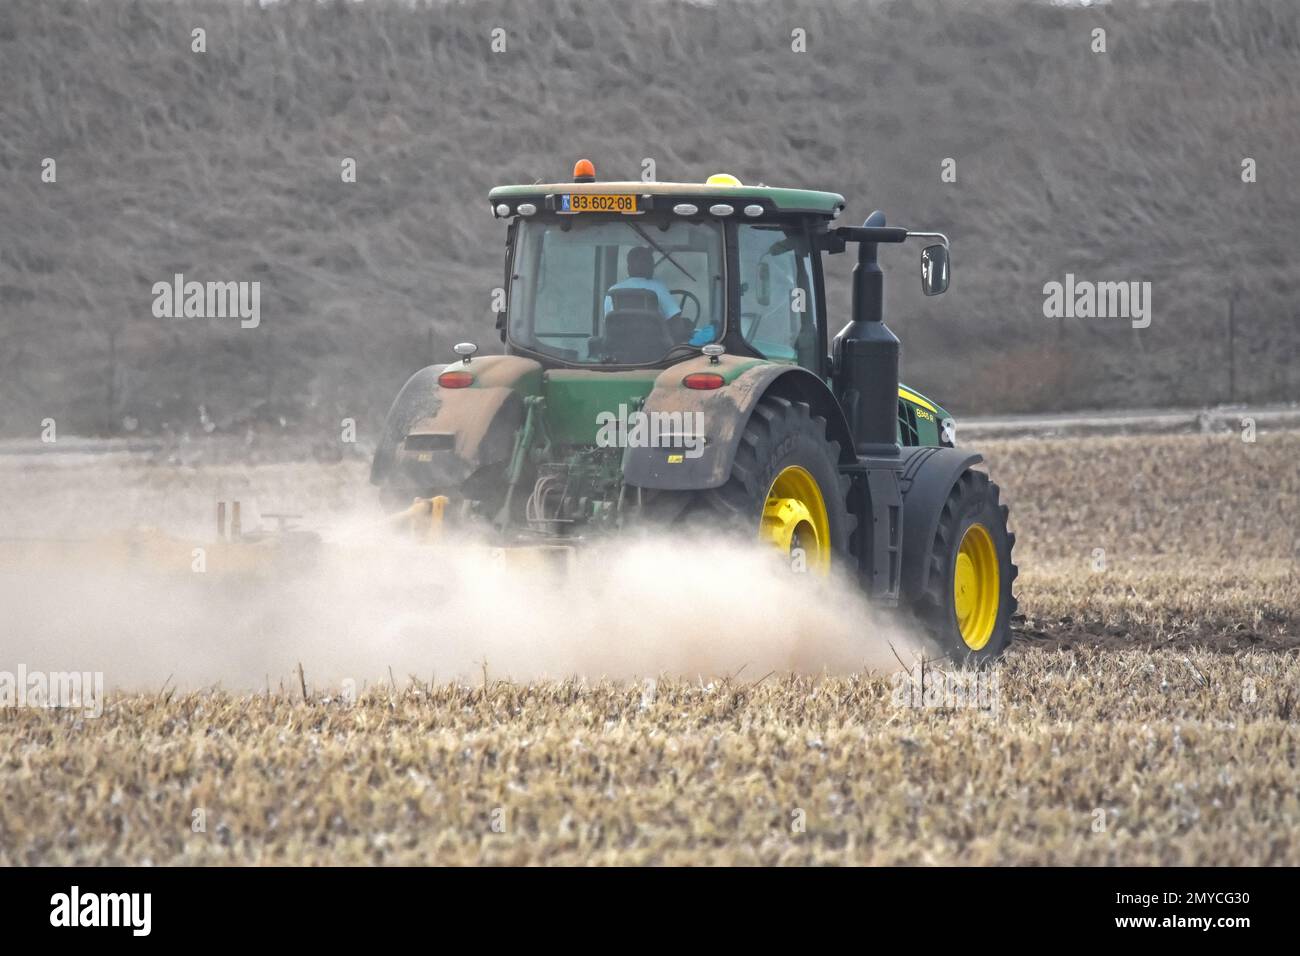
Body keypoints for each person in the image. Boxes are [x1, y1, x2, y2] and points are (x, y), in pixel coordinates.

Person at [603, 247, 683, 323]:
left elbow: (609, 322)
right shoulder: (657, 287)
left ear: (628, 268)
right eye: (650, 263)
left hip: (619, 337)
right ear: (651, 266)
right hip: (652, 337)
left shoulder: (612, 291)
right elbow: (675, 320)